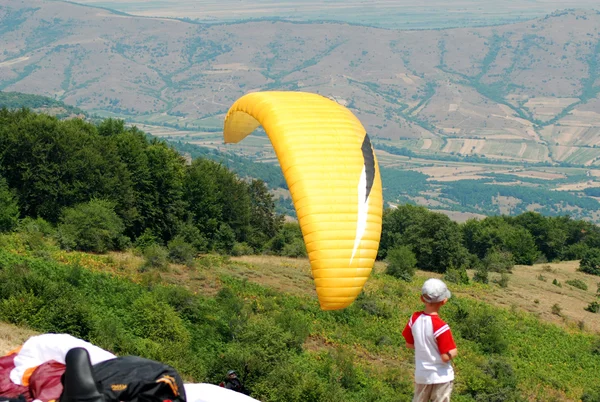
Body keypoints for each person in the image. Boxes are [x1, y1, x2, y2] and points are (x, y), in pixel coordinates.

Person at [402, 278, 458, 402]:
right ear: (444, 301)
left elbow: (409, 344)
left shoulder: (414, 319)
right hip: (441, 376)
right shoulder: (441, 327)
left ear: (422, 298)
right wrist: (454, 352)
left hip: (422, 376)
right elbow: (446, 356)